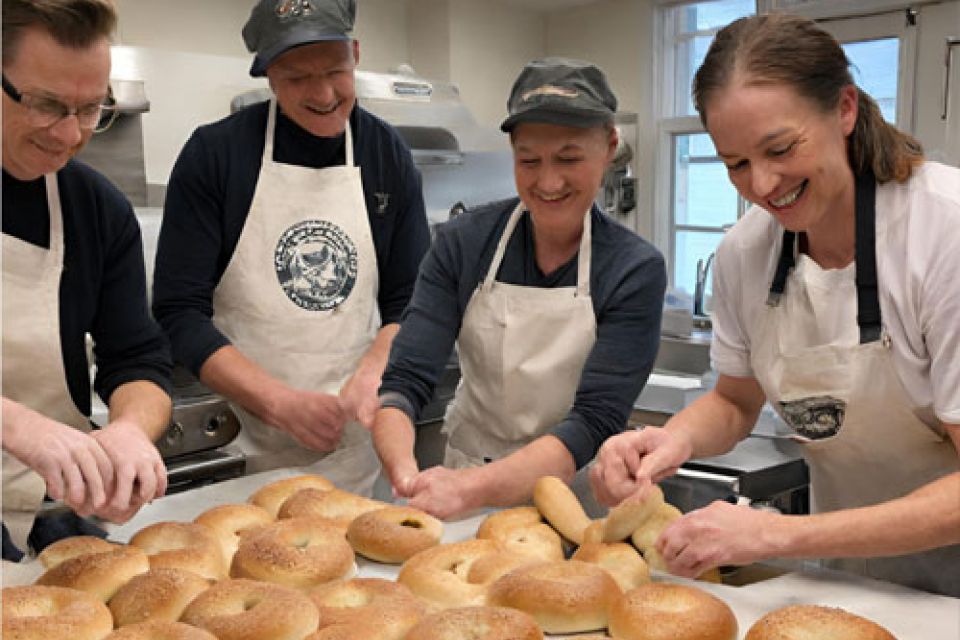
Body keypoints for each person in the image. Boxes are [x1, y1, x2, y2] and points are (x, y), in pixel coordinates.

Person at [590, 14, 960, 597]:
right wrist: (674, 440)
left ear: (844, 109)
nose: (761, 185)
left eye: (780, 148)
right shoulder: (746, 254)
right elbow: (735, 400)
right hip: (858, 577)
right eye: (735, 163)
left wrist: (777, 536)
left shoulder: (942, 232)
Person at [152, 0, 430, 494]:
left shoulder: (386, 153)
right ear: (269, 77)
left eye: (334, 72)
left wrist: (373, 371)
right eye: (296, 78)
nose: (322, 94)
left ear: (356, 54)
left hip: (351, 454)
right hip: (242, 450)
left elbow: (410, 302)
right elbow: (178, 313)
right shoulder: (215, 155)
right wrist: (277, 403)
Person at [372, 57, 667, 519]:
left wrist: (471, 489)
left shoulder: (633, 269)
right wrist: (404, 470)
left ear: (610, 146)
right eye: (529, 161)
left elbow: (594, 420)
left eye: (569, 158)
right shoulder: (463, 243)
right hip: (465, 485)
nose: (548, 182)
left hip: (573, 498)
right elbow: (404, 382)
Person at [1, 0, 173, 560]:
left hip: (50, 516)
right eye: (48, 105)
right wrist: (17, 425)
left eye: (92, 108)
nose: (71, 134)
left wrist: (129, 430)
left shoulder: (94, 208)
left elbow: (138, 360)